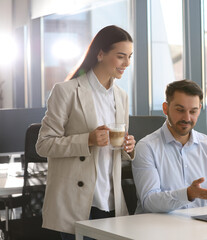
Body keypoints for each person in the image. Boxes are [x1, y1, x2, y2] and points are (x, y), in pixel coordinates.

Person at [36, 25, 136, 240]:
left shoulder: (122, 96)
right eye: (121, 56)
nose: (127, 63)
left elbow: (116, 150)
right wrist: (87, 140)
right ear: (100, 54)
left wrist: (129, 148)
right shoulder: (66, 91)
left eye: (129, 57)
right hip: (79, 201)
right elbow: (44, 144)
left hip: (111, 199)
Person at [132, 79, 207, 213]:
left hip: (198, 227)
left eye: (193, 111)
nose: (187, 118)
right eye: (180, 110)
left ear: (199, 109)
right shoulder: (146, 147)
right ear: (165, 108)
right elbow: (149, 201)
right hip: (157, 228)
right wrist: (188, 194)